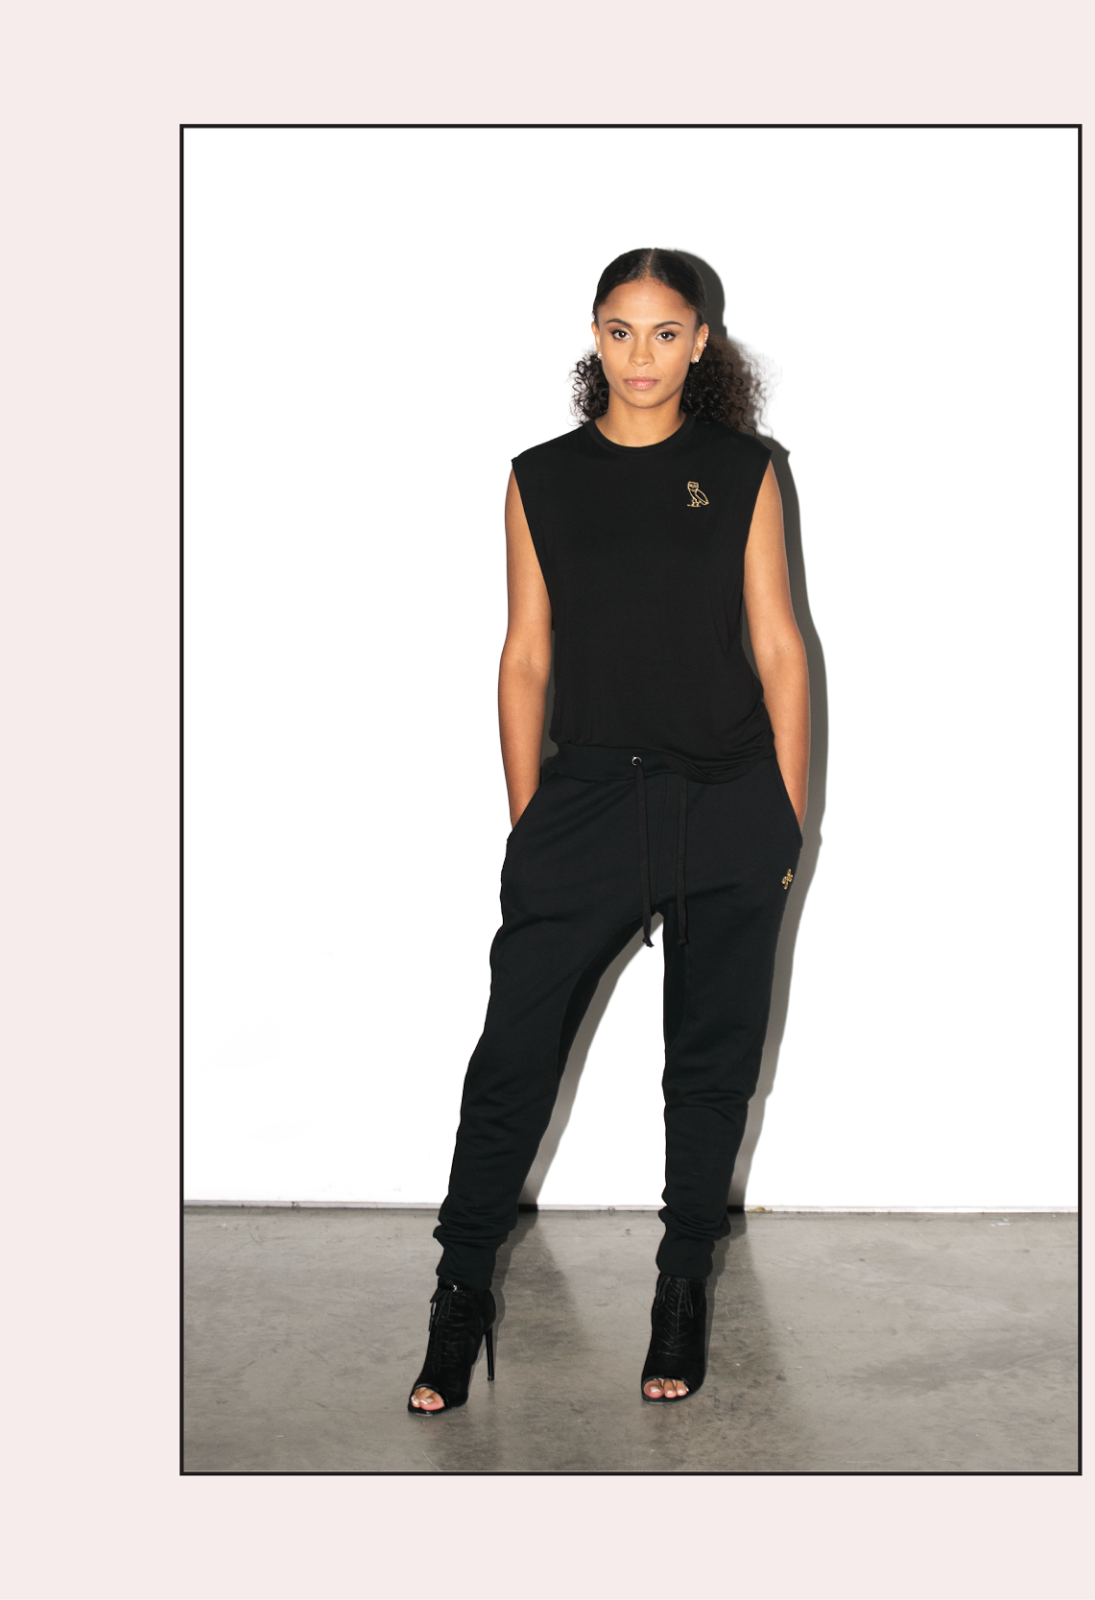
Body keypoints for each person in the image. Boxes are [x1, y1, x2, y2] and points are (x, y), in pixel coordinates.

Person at [407, 248, 809, 1414]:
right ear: (595, 336)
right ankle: (460, 1291)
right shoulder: (540, 477)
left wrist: (786, 816)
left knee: (710, 1068)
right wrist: (530, 818)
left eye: (666, 332)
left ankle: (681, 1288)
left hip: (726, 801)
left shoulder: (744, 470)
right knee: (511, 1062)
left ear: (700, 342)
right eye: (622, 332)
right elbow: (524, 653)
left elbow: (779, 645)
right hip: (586, 799)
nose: (643, 356)